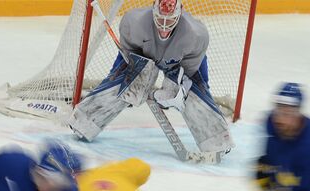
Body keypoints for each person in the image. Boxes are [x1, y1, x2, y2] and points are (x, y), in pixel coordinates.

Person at [67, 0, 234, 157]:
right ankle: (84, 120)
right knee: (128, 80)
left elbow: (192, 72)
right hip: (144, 54)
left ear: (180, 13)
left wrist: (176, 89)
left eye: (169, 21)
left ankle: (217, 140)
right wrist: (133, 82)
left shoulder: (196, 35)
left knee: (190, 93)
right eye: (160, 19)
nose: (163, 27)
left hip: (180, 62)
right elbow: (123, 60)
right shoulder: (133, 22)